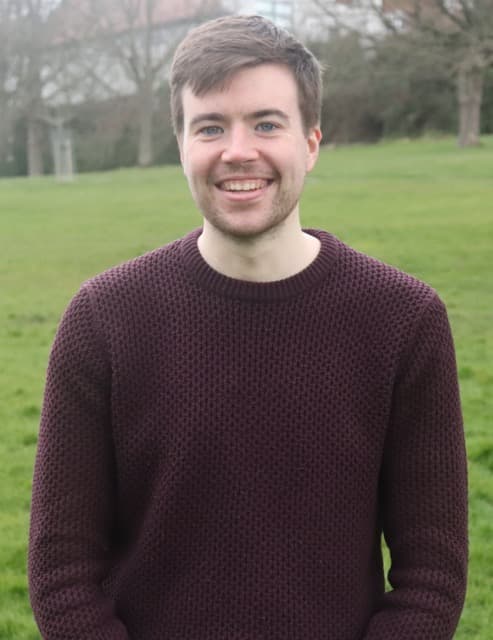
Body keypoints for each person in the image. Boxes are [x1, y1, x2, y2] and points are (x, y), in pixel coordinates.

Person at [29, 14, 468, 640]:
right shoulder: (104, 320)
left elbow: (433, 576)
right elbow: (61, 571)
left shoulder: (403, 321)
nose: (239, 150)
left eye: (266, 123)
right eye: (211, 126)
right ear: (182, 145)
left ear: (311, 142)